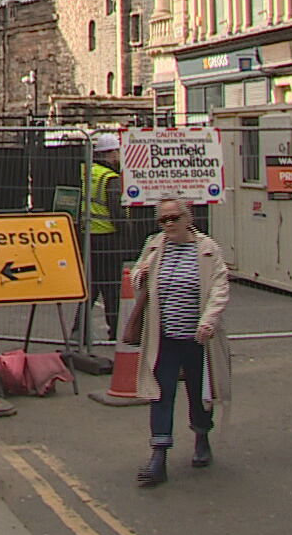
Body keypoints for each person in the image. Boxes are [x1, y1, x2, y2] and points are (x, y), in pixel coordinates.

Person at [126, 197, 233, 486]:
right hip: (164, 338)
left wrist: (208, 321)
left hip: (198, 339)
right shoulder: (154, 246)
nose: (168, 225)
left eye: (174, 218)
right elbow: (136, 278)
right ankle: (158, 455)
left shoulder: (207, 250)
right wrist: (141, 275)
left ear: (188, 218)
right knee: (160, 394)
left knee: (200, 394)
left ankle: (201, 437)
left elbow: (220, 288)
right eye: (163, 220)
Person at [81, 132, 125, 341]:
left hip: (89, 237)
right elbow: (116, 211)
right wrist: (127, 234)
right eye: (117, 151)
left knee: (90, 287)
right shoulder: (110, 178)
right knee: (112, 290)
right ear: (110, 153)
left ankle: (77, 330)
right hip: (108, 237)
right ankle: (116, 331)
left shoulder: (87, 172)